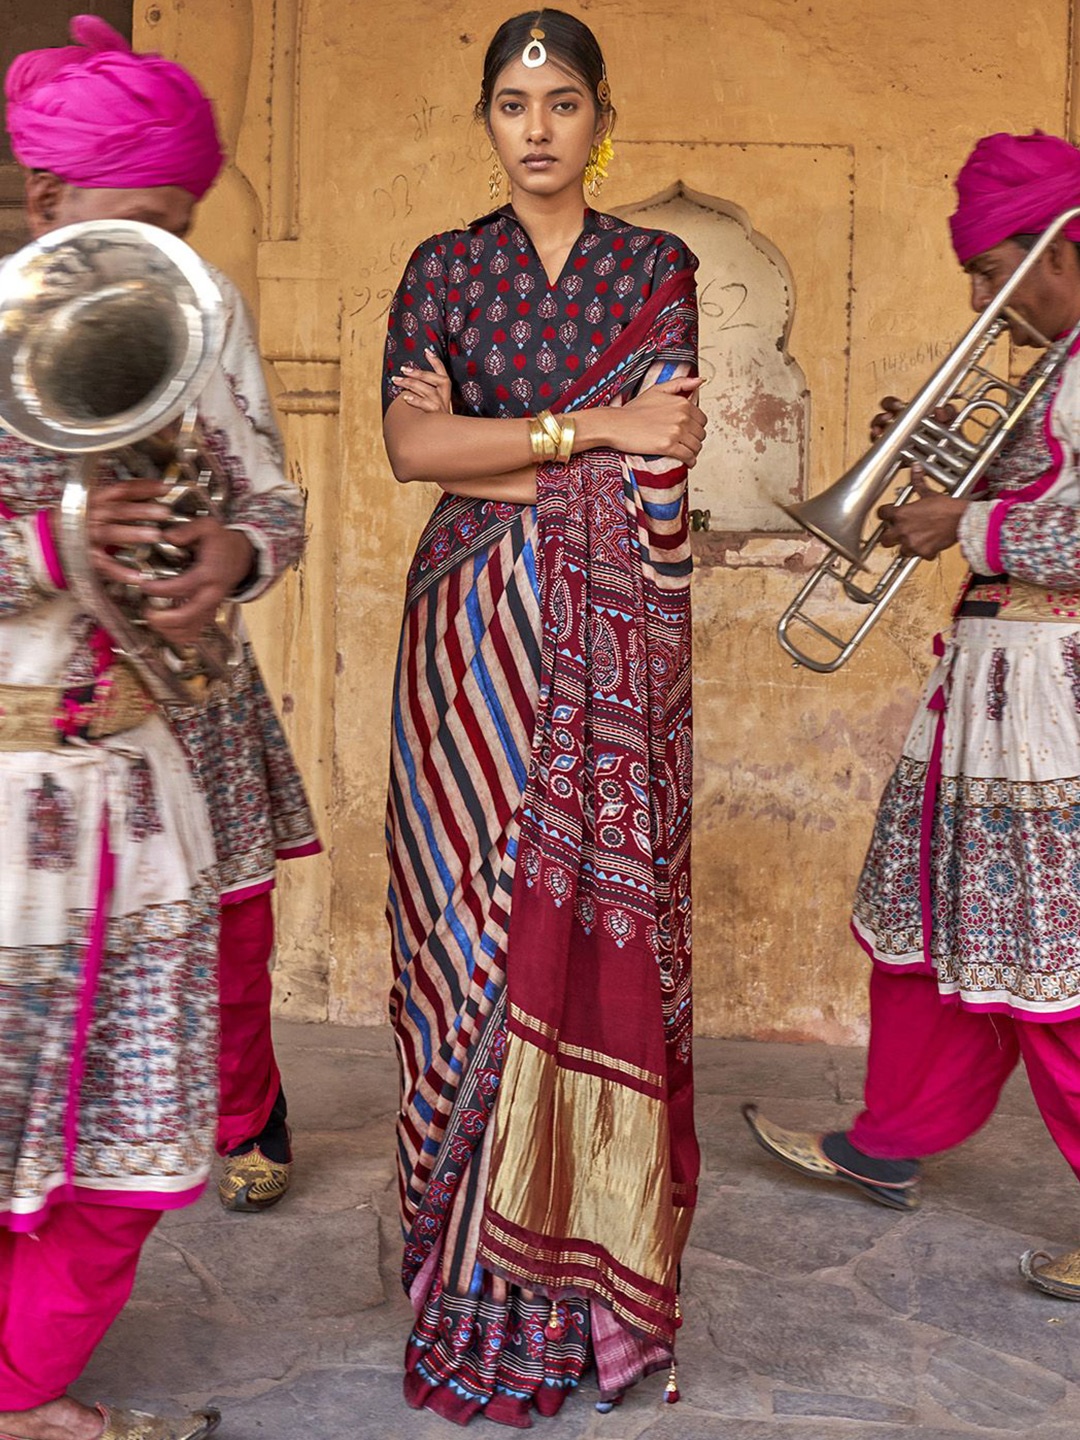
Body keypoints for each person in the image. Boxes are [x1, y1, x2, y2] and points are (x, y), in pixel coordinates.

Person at [381, 10, 705, 1425]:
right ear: (486, 119)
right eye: (510, 102)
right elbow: (410, 450)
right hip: (464, 642)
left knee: (578, 935)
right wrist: (589, 437)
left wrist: (496, 454)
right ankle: (460, 1273)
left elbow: (671, 457)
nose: (536, 127)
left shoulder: (657, 267)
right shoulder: (443, 269)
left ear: (599, 114)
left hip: (609, 651)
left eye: (561, 101)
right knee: (460, 936)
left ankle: (581, 1290)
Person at [0, 17, 311, 1439]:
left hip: (139, 793)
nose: (173, 266)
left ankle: (24, 1386)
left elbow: (272, 503)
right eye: (144, 227)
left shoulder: (184, 334)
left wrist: (232, 561)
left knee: (127, 1152)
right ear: (48, 202)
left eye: (188, 231)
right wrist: (56, 549)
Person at [743, 130, 1080, 1301]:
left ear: (1059, 248)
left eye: (996, 272)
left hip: (1052, 709)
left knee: (1053, 964)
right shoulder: (1053, 370)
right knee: (935, 932)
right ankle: (887, 1141)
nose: (987, 303)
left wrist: (968, 527)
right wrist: (957, 471)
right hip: (989, 689)